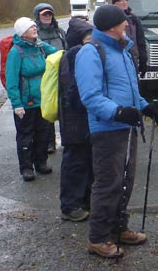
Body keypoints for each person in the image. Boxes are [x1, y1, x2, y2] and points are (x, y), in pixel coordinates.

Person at [75, 4, 158, 258]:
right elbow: (90, 97)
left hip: (127, 127)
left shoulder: (123, 50)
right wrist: (118, 112)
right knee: (108, 184)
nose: (127, 24)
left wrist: (145, 107)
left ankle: (118, 228)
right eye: (124, 21)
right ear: (112, 26)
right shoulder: (90, 53)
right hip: (107, 130)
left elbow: (129, 90)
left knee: (125, 181)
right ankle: (98, 238)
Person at [5, 17, 58, 181]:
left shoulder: (40, 46)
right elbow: (11, 81)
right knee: (26, 135)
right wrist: (16, 104)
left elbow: (57, 54)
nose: (35, 28)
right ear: (23, 33)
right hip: (26, 103)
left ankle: (41, 162)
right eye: (31, 27)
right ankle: (26, 168)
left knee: (43, 133)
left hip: (43, 100)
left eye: (35, 26)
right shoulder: (16, 52)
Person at [59, 18, 95, 222]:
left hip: (82, 117)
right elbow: (72, 91)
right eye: (87, 39)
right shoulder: (72, 56)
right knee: (75, 162)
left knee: (87, 161)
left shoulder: (79, 54)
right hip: (74, 118)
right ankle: (70, 206)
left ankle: (83, 201)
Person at [34, 3, 67, 154]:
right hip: (44, 76)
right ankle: (49, 142)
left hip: (61, 74)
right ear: (38, 16)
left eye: (49, 14)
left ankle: (66, 138)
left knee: (63, 107)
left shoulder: (60, 32)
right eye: (44, 14)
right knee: (47, 108)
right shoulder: (35, 33)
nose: (47, 17)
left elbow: (67, 49)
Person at [112, 0, 148, 77]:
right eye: (120, 1)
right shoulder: (110, 18)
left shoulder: (134, 19)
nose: (124, 2)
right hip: (116, 61)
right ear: (114, 4)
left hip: (133, 60)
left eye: (125, 0)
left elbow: (141, 41)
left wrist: (143, 61)